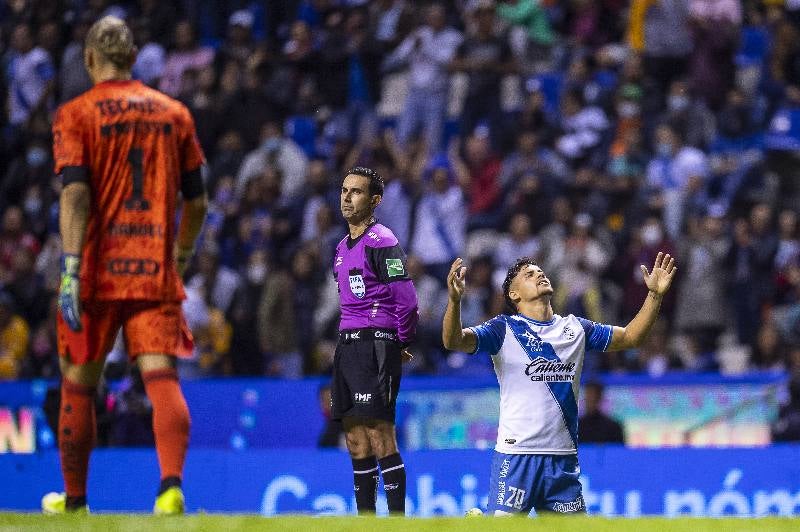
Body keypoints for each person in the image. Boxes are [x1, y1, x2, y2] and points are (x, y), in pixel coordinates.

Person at [41, 16, 207, 515]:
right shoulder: (174, 113)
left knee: (79, 382)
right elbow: (197, 202)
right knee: (162, 379)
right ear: (134, 58)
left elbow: (74, 195)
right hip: (154, 267)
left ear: (90, 59)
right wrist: (179, 255)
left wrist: (70, 268)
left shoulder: (76, 114)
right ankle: (171, 488)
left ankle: (74, 502)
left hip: (95, 270)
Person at [442, 252, 677, 515]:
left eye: (539, 271)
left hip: (562, 459)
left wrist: (655, 295)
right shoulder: (503, 329)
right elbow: (454, 341)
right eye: (528, 275)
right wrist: (454, 301)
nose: (539, 274)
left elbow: (631, 337)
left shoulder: (576, 328)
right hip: (517, 455)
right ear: (514, 295)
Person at [332, 166, 418, 515]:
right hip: (347, 345)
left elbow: (407, 299)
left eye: (357, 191)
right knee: (355, 438)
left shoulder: (382, 241)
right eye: (344, 190)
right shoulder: (340, 248)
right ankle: (365, 520)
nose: (347, 197)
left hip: (375, 343)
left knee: (380, 432)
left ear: (375, 200)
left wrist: (401, 341)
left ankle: (396, 520)